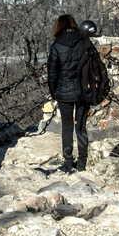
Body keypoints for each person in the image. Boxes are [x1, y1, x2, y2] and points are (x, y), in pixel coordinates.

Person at [47, 14, 90, 173]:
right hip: (83, 90)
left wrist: (54, 92)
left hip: (64, 91)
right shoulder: (84, 42)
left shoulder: (57, 46)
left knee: (67, 126)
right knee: (81, 126)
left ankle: (68, 160)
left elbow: (52, 73)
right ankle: (82, 162)